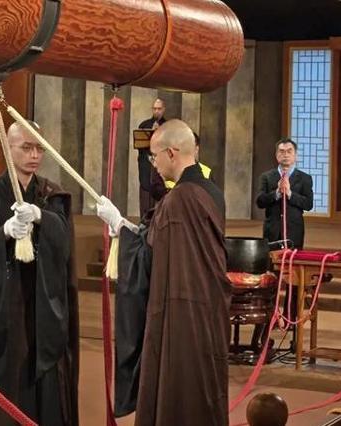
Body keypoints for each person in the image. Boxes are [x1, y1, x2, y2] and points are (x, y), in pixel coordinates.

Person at [96, 119, 231, 425]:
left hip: (181, 312)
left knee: (181, 388)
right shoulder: (210, 191)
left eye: (154, 155)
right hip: (208, 308)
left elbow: (151, 258)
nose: (152, 163)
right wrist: (125, 227)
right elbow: (162, 245)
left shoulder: (180, 200)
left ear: (171, 153)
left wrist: (119, 227)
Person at [0, 122, 79, 425]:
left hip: (45, 305)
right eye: (26, 148)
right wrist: (3, 232)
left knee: (45, 382)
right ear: (8, 148)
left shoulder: (52, 194)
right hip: (7, 305)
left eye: (40, 148)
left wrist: (42, 217)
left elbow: (65, 245)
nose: (35, 155)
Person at [256, 138, 313, 249]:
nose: (285, 155)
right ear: (276, 155)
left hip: (294, 231)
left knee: (293, 259)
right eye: (282, 151)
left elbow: (308, 204)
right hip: (272, 230)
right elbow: (260, 202)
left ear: (296, 156)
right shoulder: (266, 177)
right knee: (271, 259)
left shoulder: (305, 178)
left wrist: (289, 193)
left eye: (289, 151)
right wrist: (277, 193)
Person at [137, 98, 168, 217]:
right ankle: (144, 221)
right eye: (154, 109)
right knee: (145, 195)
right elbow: (139, 147)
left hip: (161, 165)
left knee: (159, 194)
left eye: (159, 109)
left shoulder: (168, 126)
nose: (157, 111)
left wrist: (159, 133)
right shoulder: (144, 125)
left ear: (163, 109)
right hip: (146, 165)